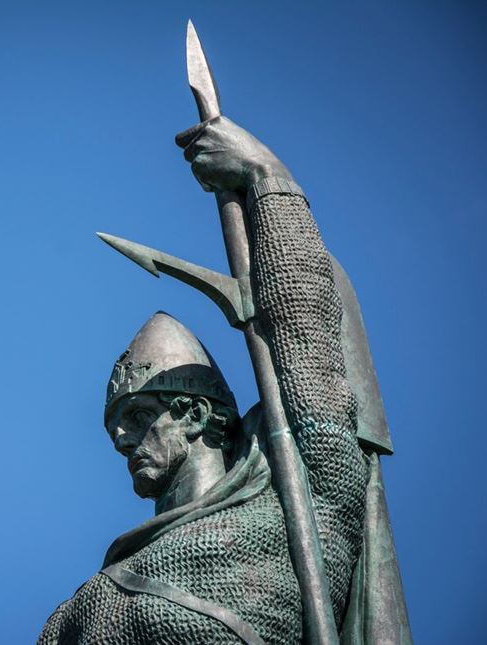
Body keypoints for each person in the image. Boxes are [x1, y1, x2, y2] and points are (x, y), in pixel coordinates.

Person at [37, 116, 368, 645]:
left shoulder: (298, 506)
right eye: (116, 426)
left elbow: (304, 327)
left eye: (139, 416)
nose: (121, 440)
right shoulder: (78, 609)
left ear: (193, 414)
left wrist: (265, 177)